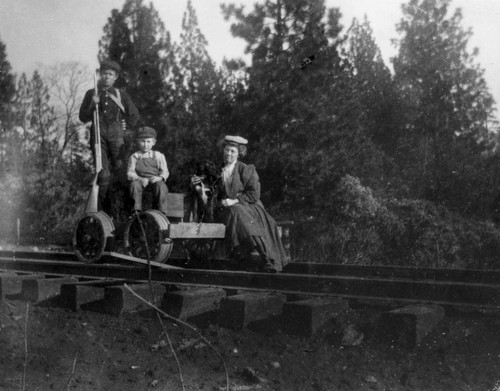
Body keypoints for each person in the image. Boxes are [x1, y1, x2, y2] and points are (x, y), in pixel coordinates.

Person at [192, 135, 289, 272]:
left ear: (239, 153)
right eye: (227, 150)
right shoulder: (217, 172)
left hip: (249, 207)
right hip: (226, 210)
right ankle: (247, 253)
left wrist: (234, 200)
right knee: (233, 211)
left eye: (233, 151)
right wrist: (197, 185)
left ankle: (261, 253)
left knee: (236, 210)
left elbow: (254, 194)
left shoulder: (246, 169)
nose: (229, 154)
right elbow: (209, 192)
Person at [79, 59, 140, 212]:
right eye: (104, 73)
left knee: (122, 171)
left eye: (110, 74)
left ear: (115, 77)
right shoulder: (91, 93)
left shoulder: (121, 95)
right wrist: (92, 104)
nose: (107, 77)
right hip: (98, 135)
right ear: (100, 75)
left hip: (117, 136)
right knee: (103, 174)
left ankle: (126, 211)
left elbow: (134, 115)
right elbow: (82, 117)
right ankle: (106, 213)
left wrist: (127, 131)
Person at [127, 126, 169, 215]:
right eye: (142, 141)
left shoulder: (158, 156)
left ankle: (161, 212)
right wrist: (140, 178)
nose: (145, 144)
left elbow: (165, 172)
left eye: (148, 141)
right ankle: (136, 211)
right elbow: (130, 173)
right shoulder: (135, 156)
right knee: (134, 185)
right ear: (138, 142)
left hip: (154, 181)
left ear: (154, 142)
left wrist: (159, 178)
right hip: (141, 181)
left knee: (161, 186)